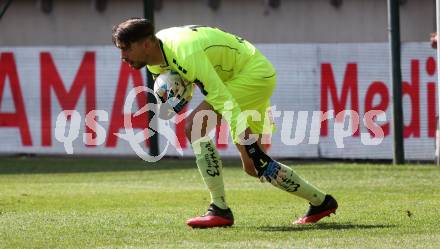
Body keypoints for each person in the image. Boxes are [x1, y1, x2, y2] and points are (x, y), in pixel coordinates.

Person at [112, 18, 338, 228]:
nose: (123, 56)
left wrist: (247, 140)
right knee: (253, 166)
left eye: (126, 49)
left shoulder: (183, 52)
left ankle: (219, 208)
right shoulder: (155, 62)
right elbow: (187, 86)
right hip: (248, 75)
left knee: (195, 126)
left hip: (252, 75)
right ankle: (321, 202)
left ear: (145, 44)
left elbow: (222, 98)